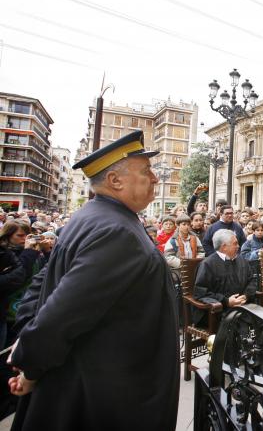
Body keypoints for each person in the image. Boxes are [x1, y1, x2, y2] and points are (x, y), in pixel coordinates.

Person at [7, 130, 179, 430]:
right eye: (146, 171)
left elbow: (44, 285)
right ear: (115, 181)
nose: (155, 178)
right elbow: (61, 314)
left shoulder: (93, 216)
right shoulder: (117, 232)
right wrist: (30, 367)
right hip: (102, 397)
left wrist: (28, 346)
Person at [193, 229, 258, 325]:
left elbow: (252, 280)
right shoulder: (208, 264)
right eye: (235, 244)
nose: (238, 246)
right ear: (224, 247)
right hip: (218, 311)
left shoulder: (241, 260)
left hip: (243, 306)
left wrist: (246, 295)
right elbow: (201, 292)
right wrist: (226, 301)